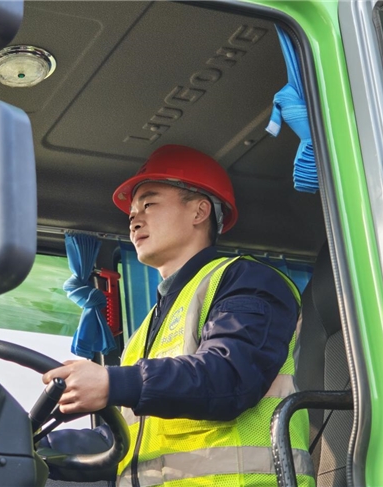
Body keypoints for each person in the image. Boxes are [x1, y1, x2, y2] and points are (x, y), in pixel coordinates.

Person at [42, 145, 314, 487]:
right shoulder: (146, 330)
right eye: (131, 213)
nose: (134, 220)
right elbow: (132, 440)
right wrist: (34, 445)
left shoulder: (247, 281)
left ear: (199, 211)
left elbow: (229, 376)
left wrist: (113, 383)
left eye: (149, 204)